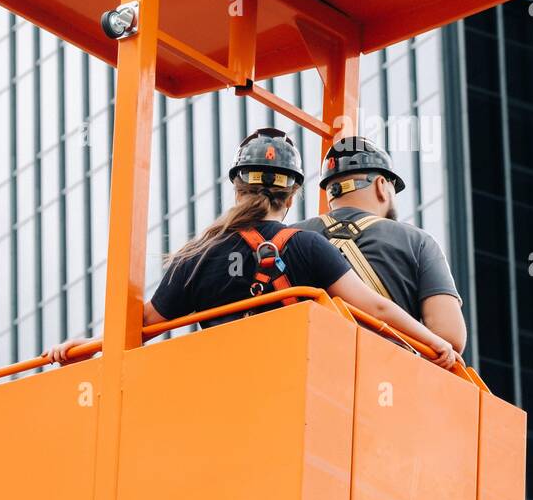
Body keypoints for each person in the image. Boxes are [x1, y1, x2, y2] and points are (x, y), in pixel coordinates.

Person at [44, 127, 456, 367]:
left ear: (237, 187)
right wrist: (434, 343)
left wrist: (81, 348)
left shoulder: (197, 255)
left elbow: (143, 326)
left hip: (223, 388)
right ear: (292, 195)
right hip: (291, 381)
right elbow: (375, 307)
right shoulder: (308, 246)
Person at [293, 136, 467, 355]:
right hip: (385, 374)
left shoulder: (291, 235)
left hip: (302, 366)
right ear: (381, 185)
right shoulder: (418, 241)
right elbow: (451, 337)